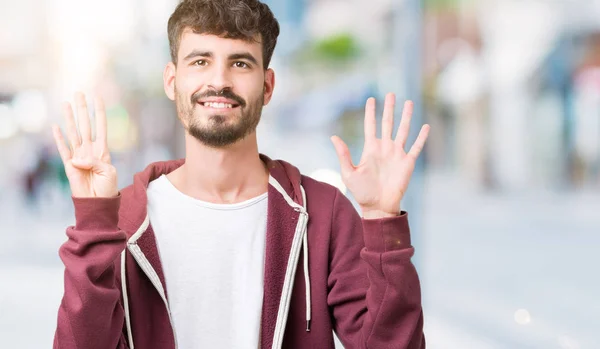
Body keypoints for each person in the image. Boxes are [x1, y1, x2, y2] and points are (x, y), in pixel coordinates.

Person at [51, 0, 430, 348]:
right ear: (172, 81)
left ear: (267, 86)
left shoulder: (324, 213)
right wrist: (92, 221)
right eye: (200, 61)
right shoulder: (122, 222)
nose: (219, 81)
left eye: (240, 63)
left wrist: (382, 224)